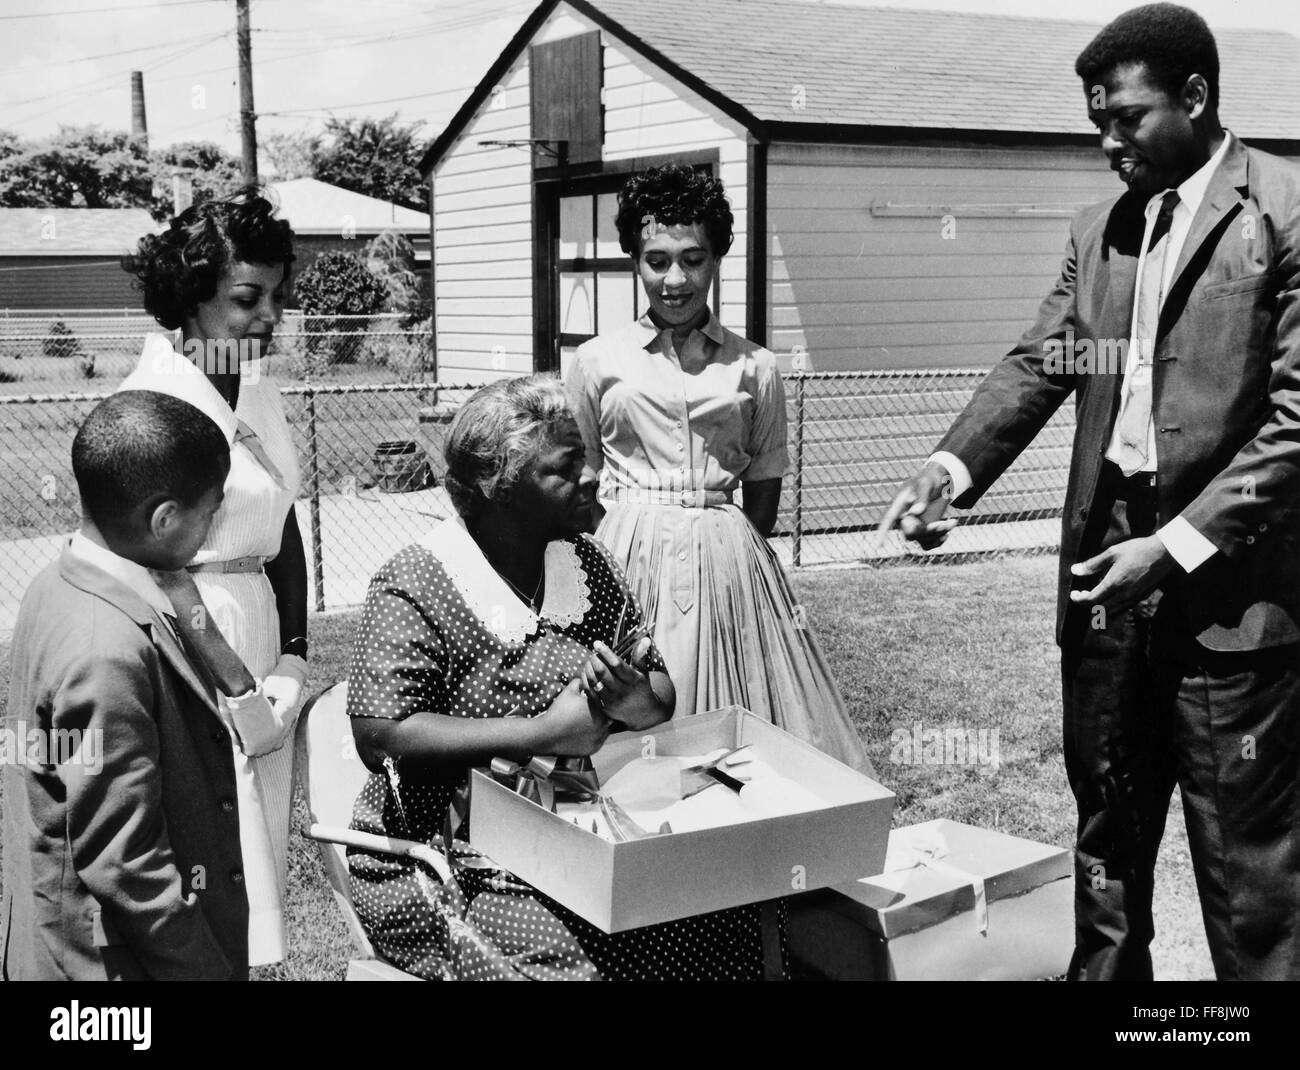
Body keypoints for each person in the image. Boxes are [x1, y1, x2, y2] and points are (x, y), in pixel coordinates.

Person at [881, 3, 1300, 980]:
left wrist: (1178, 543)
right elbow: (1045, 358)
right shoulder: (1100, 230)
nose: (1108, 142)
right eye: (1096, 123)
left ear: (1194, 97)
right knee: (1106, 852)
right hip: (1103, 581)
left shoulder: (1280, 210)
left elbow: (1295, 420)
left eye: (1127, 117)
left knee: (1250, 887)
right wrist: (949, 470)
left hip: (1228, 597)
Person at [345, 375, 785, 980]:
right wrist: (543, 732)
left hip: (575, 830)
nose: (591, 475)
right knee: (580, 966)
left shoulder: (586, 561)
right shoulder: (419, 580)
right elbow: (379, 737)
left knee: (721, 917)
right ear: (498, 490)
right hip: (445, 851)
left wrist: (633, 699)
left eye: (588, 457)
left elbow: (659, 697)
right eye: (565, 465)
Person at [565, 164, 872, 775]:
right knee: (624, 703)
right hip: (623, 554)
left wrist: (730, 547)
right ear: (634, 258)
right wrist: (621, 540)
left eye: (693, 259)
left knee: (740, 724)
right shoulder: (597, 360)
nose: (674, 279)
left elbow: (763, 484)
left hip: (727, 559)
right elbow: (581, 479)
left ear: (716, 260)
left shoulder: (755, 366)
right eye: (656, 260)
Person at [118, 188, 308, 967]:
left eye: (277, 297)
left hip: (260, 635)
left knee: (257, 857)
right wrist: (235, 686)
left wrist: (293, 655)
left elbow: (285, 522)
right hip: (190, 644)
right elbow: (153, 563)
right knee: (201, 854)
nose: (269, 317)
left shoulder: (256, 387)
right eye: (246, 298)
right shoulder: (150, 402)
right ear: (192, 297)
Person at [1, 391, 249, 980]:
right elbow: (126, 860)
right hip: (113, 969)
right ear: (163, 519)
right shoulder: (105, 651)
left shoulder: (59, 581)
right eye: (210, 511)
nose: (212, 526)